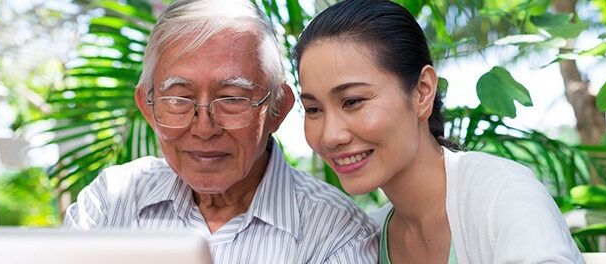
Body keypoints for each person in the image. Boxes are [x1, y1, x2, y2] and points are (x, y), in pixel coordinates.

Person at [64, 0, 378, 263]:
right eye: (178, 99)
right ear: (148, 107)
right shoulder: (112, 201)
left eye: (232, 99)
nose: (204, 128)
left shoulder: (335, 234)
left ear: (277, 108)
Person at [294, 0, 585, 263]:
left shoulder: (501, 194)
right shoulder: (366, 240)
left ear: (422, 92)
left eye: (353, 101)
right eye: (313, 109)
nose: (330, 135)